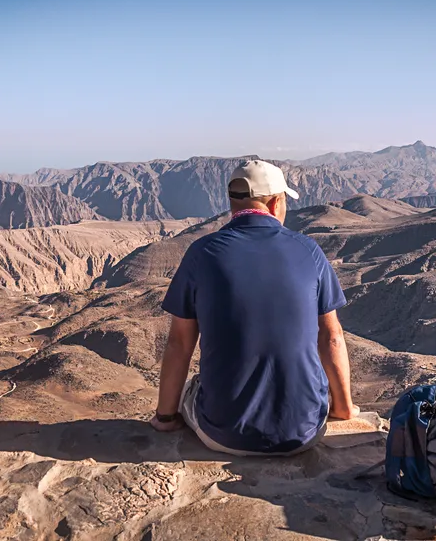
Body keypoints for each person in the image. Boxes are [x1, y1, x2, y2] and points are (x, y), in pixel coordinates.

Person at [149, 159, 359, 456]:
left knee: (190, 390)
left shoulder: (202, 253)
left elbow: (179, 343)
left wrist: (166, 418)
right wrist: (344, 408)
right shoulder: (309, 250)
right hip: (304, 432)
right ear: (275, 203)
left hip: (222, 435)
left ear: (233, 203)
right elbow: (332, 337)